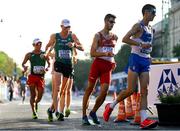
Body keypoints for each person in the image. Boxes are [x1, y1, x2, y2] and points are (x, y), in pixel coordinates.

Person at [103, 4, 158, 129]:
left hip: (145, 61)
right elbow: (125, 39)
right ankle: (111, 105)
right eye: (153, 12)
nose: (155, 15)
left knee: (144, 91)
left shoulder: (151, 29)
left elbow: (148, 45)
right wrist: (140, 44)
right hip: (135, 59)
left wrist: (150, 55)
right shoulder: (138, 26)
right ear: (146, 12)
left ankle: (144, 120)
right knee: (131, 90)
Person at [82, 14, 118, 125]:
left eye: (113, 22)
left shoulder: (115, 37)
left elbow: (111, 51)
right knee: (89, 89)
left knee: (104, 92)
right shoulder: (98, 35)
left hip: (107, 66)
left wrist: (113, 60)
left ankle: (93, 112)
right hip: (98, 64)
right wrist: (104, 53)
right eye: (110, 21)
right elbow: (92, 53)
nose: (112, 24)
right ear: (105, 21)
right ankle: (84, 115)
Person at [45, 19, 84, 122]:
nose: (67, 29)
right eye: (65, 27)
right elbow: (48, 46)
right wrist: (46, 52)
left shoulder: (72, 36)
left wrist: (74, 45)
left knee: (63, 90)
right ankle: (58, 112)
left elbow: (82, 47)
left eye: (69, 27)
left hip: (68, 65)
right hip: (58, 64)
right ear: (61, 26)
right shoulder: (55, 36)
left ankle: (50, 109)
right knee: (57, 88)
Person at [22, 38, 50, 119]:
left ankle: (36, 103)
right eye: (37, 44)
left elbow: (49, 63)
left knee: (40, 95)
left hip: (41, 77)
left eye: (40, 43)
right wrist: (24, 67)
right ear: (33, 45)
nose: (39, 45)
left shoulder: (44, 54)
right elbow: (23, 63)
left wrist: (47, 68)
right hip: (32, 76)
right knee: (33, 95)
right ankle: (34, 112)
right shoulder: (29, 54)